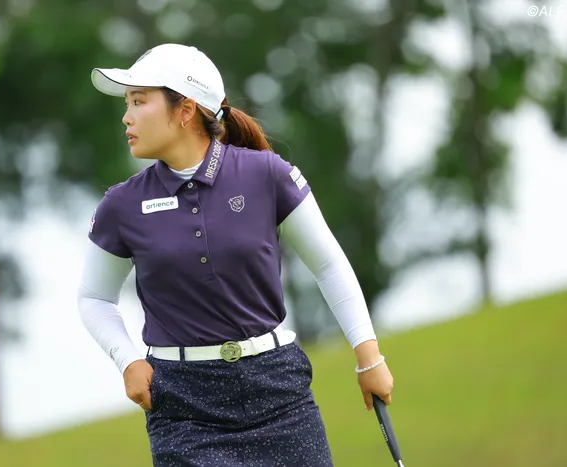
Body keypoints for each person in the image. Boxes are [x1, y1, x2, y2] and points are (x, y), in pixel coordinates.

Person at [78, 43, 394, 467]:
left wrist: (368, 359)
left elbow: (328, 265)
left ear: (185, 110)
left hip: (279, 395)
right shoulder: (122, 205)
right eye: (127, 104)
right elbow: (95, 298)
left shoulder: (268, 174)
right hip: (184, 409)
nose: (127, 116)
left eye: (139, 101)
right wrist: (129, 361)